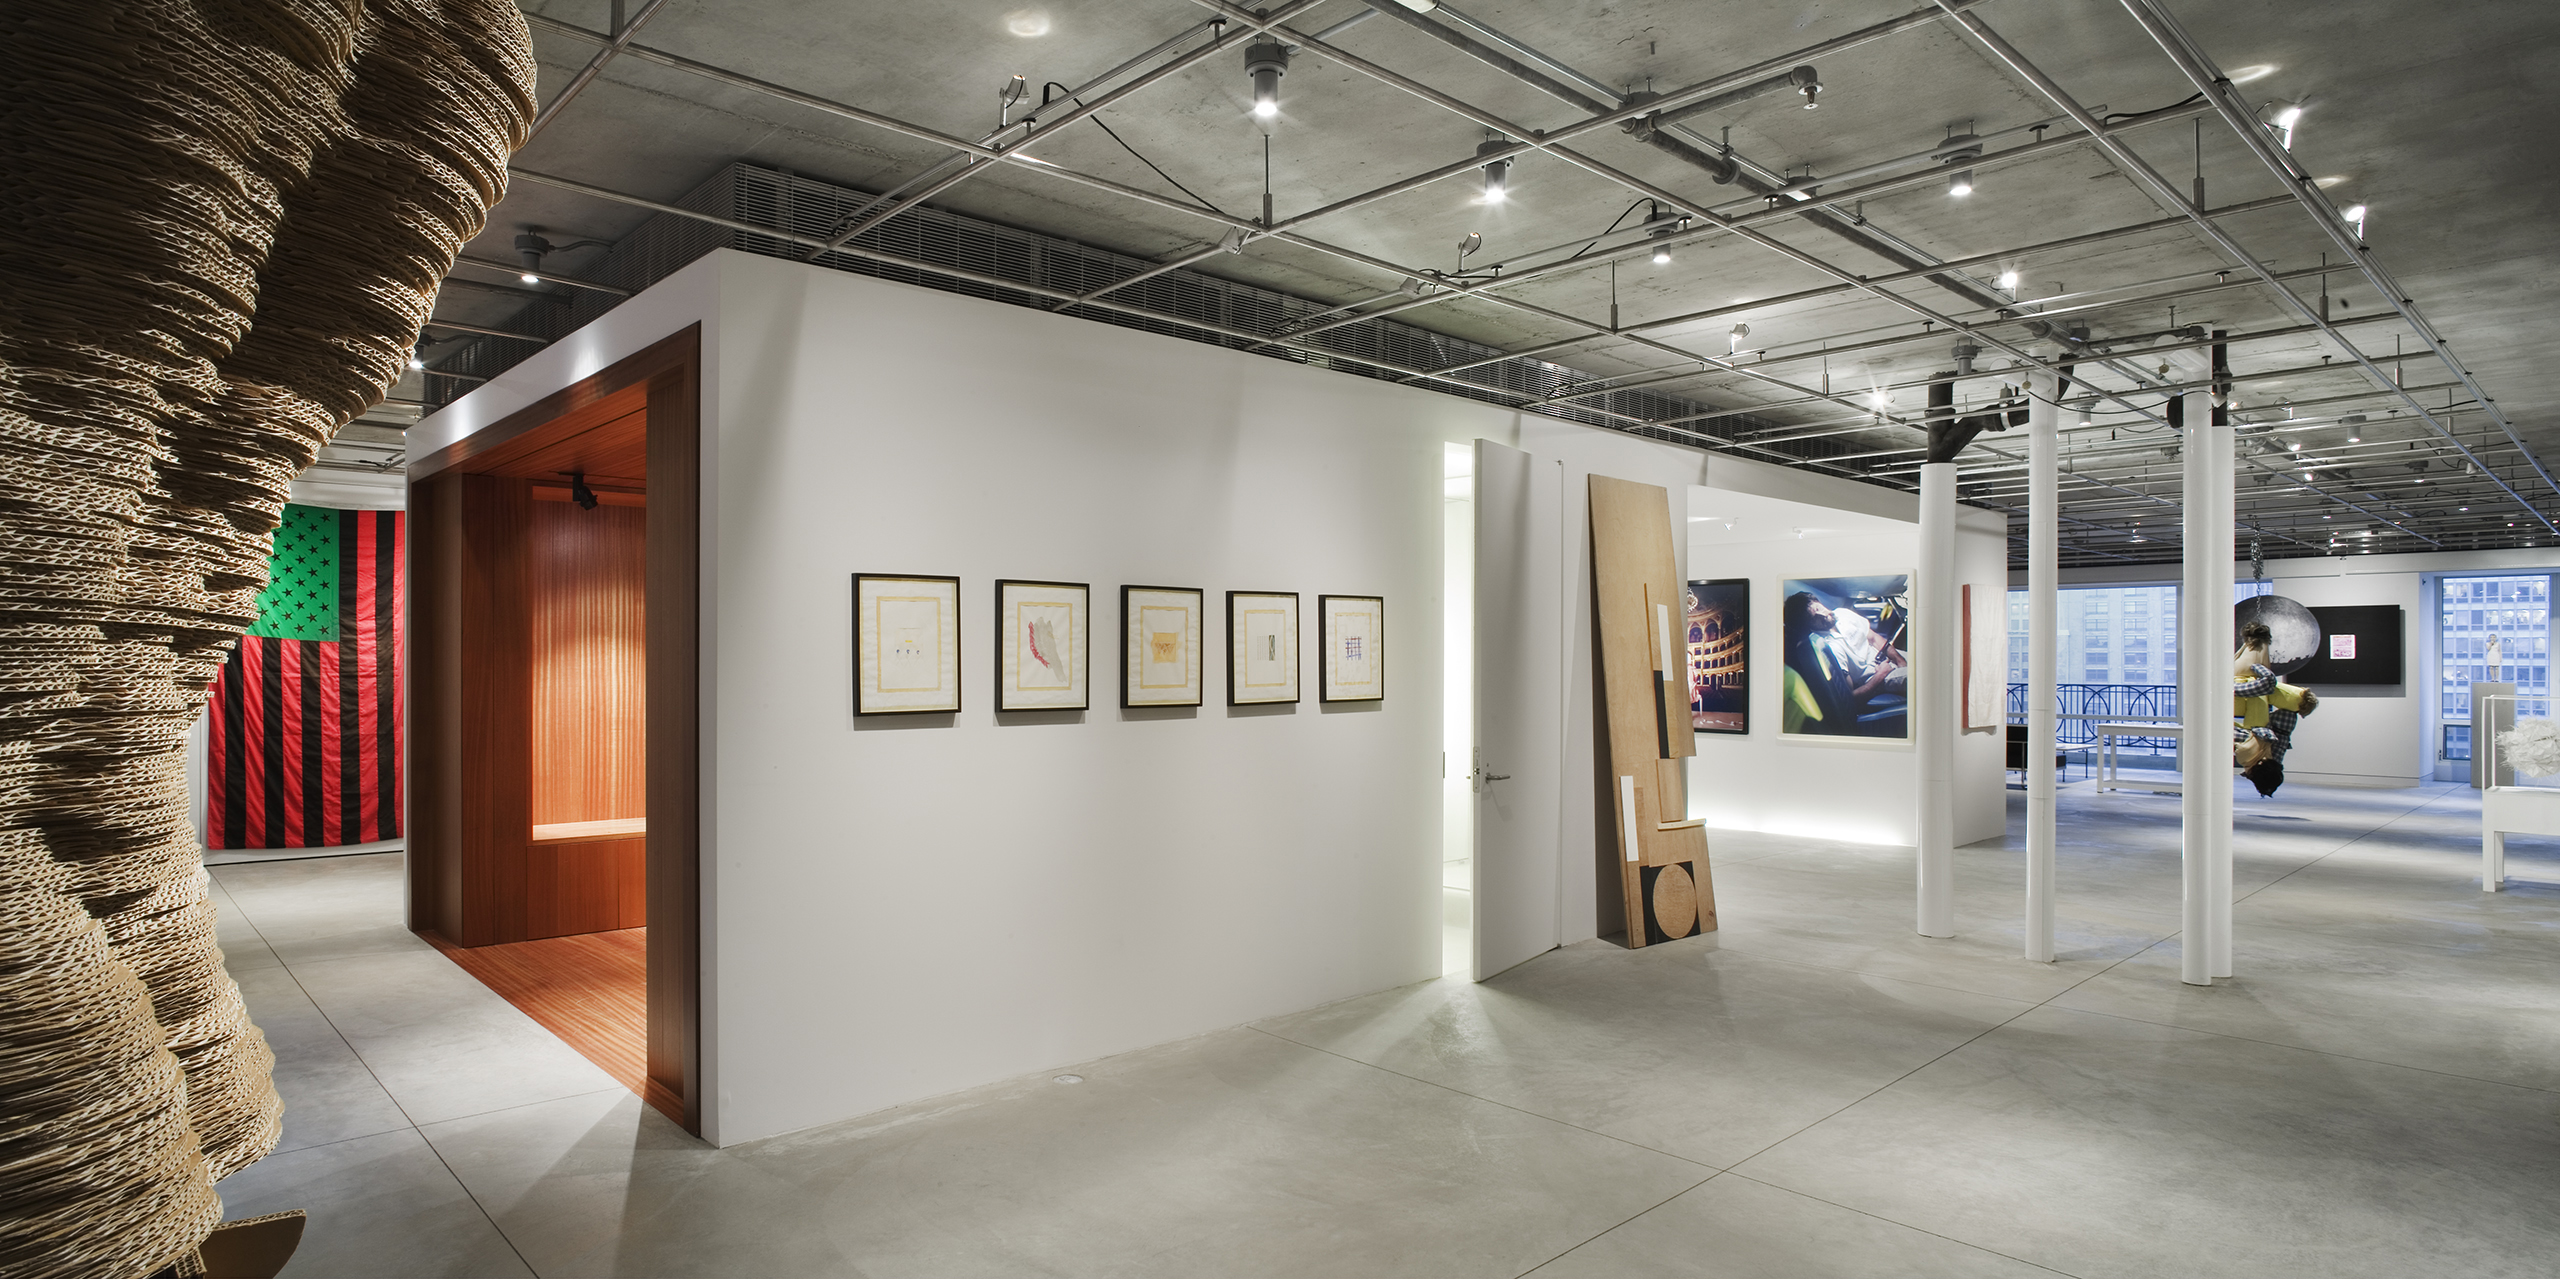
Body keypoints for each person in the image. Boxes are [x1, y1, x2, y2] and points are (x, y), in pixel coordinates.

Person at [1781, 591, 1902, 734]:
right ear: (1809, 627)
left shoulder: (1843, 614)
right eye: (1814, 618)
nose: (1823, 615)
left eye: (1818, 608)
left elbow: (1874, 638)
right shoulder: (1830, 647)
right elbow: (1852, 699)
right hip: (1876, 674)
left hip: (1886, 657)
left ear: (1819, 602)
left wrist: (1900, 660)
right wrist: (1881, 675)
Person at [2232, 620, 2320, 796]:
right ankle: (2256, 639)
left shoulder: (2274, 759)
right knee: (2249, 666)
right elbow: (2232, 733)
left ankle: (2258, 638)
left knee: (2256, 655)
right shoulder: (2249, 754)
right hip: (2248, 694)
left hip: (2281, 715)